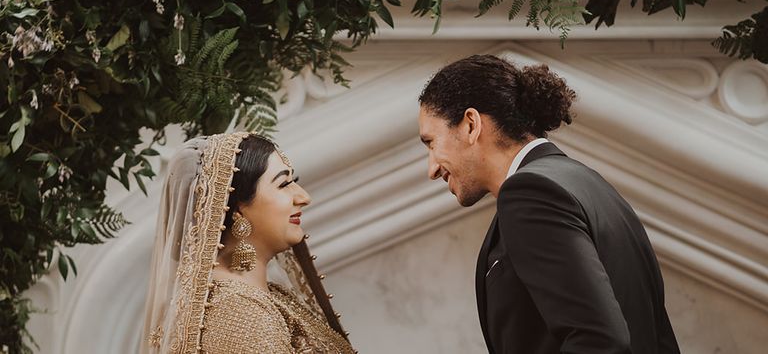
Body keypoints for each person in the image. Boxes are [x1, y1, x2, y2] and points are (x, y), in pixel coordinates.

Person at [418, 54, 680, 354]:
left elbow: (598, 340)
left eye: (431, 143)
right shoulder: (592, 185)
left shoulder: (530, 193)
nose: (432, 169)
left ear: (470, 124)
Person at [141, 131, 355, 353]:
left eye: (295, 182)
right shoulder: (238, 310)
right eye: (284, 184)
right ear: (237, 208)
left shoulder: (258, 296)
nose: (303, 197)